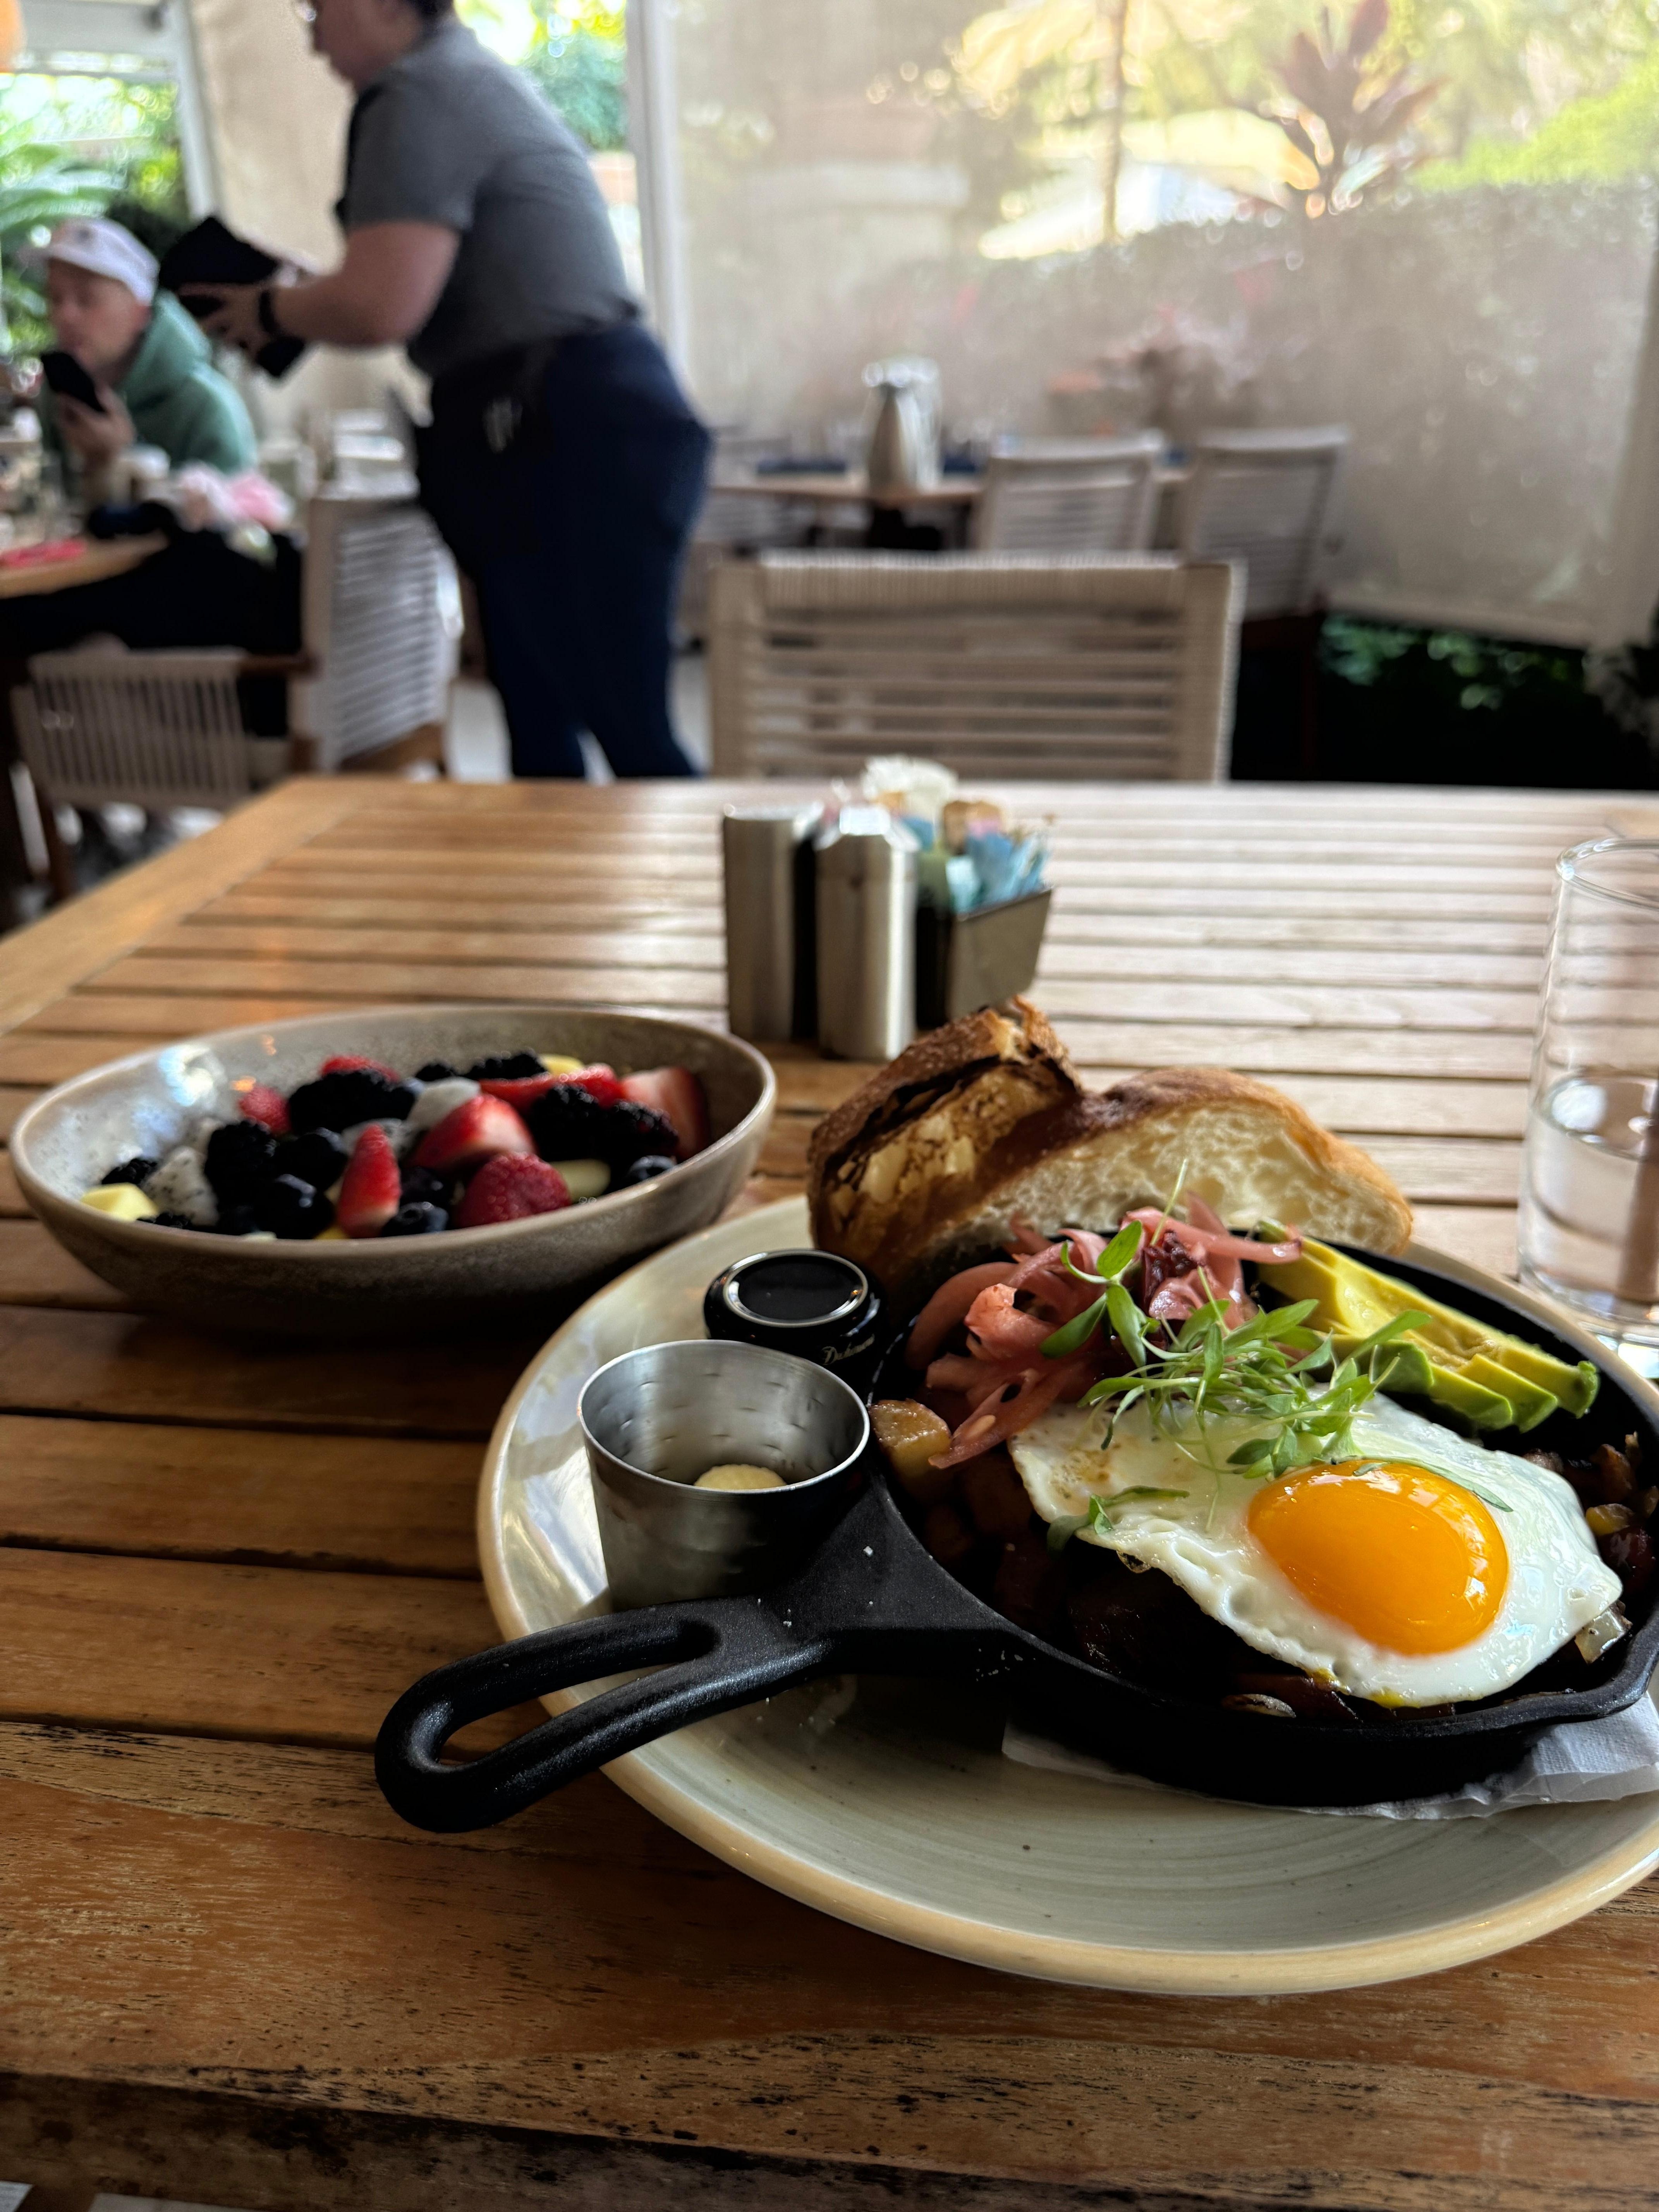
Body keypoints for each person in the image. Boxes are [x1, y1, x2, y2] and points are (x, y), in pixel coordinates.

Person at [194, 0, 709, 780]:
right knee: (558, 724)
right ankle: (579, 898)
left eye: (317, 8)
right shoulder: (463, 80)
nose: (310, 34)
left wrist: (267, 307)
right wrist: (309, 293)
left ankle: (719, 899)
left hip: (562, 425)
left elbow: (380, 305)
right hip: (572, 417)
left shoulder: (416, 95)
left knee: (619, 730)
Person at [37, 216, 256, 497]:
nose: (64, 317)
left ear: (140, 312)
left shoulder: (207, 407)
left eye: (86, 299)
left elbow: (245, 522)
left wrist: (122, 460)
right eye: (55, 299)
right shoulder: (56, 397)